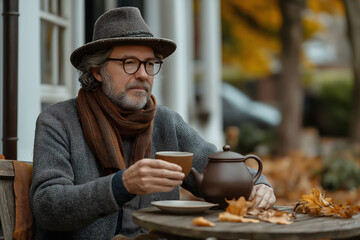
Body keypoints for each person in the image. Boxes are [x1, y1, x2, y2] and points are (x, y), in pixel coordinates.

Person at [30, 7, 275, 240]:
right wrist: (121, 185)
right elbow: (48, 206)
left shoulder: (166, 122)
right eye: (129, 63)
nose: (143, 74)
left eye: (149, 63)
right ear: (97, 70)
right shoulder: (58, 121)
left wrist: (259, 184)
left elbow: (215, 167)